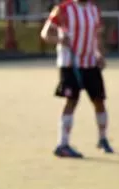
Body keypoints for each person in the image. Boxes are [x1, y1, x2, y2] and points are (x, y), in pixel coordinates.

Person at [40, 0, 113, 158]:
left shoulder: (94, 10)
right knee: (71, 101)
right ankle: (62, 144)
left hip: (90, 63)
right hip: (70, 64)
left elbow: (97, 34)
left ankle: (102, 139)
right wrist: (60, 40)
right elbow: (45, 34)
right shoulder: (62, 10)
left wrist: (100, 53)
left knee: (99, 100)